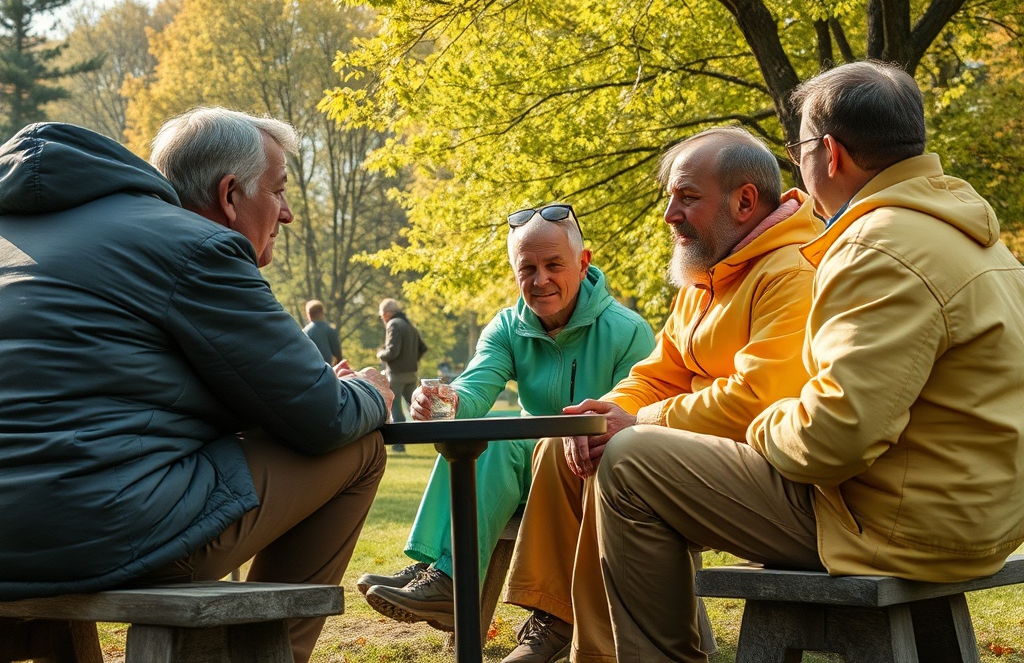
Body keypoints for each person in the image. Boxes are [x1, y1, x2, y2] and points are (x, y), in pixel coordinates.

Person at [595, 61, 1024, 663]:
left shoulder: (878, 246)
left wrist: (765, 420)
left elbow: (832, 441)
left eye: (798, 149)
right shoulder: (975, 236)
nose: (796, 168)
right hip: (982, 519)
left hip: (896, 524)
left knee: (630, 459)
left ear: (830, 152)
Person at [0, 109, 392, 663]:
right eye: (279, 191)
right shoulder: (196, 245)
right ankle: (263, 653)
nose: (288, 213)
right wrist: (373, 391)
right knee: (358, 445)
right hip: (102, 534)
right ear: (229, 195)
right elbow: (322, 415)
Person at [501, 128, 822, 663]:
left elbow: (761, 398)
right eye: (670, 197)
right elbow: (659, 371)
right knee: (570, 440)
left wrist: (641, 423)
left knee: (622, 455)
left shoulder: (790, 271)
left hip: (778, 472)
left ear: (745, 201)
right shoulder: (707, 278)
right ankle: (555, 618)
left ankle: (601, 649)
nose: (670, 214)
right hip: (709, 459)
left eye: (687, 197)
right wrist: (610, 411)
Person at [358, 204, 656, 634]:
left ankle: (445, 577)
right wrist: (447, 401)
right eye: (527, 268)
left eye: (554, 264)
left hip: (596, 472)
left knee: (501, 442)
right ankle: (440, 575)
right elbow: (475, 388)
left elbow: (634, 413)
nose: (541, 280)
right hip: (529, 473)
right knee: (475, 437)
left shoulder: (627, 330)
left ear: (583, 261)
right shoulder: (507, 327)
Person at [377, 297, 428, 452]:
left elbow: (393, 352)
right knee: (417, 405)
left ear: (386, 313)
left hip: (397, 374)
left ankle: (399, 444)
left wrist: (381, 354)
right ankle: (426, 435)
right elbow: (422, 348)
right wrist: (412, 359)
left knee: (395, 407)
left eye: (381, 315)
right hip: (411, 373)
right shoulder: (408, 325)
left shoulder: (393, 325)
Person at [304, 299, 342, 364]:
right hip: (326, 367)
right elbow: (337, 354)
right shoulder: (329, 329)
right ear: (322, 313)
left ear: (309, 314)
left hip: (309, 368)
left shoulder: (304, 332)